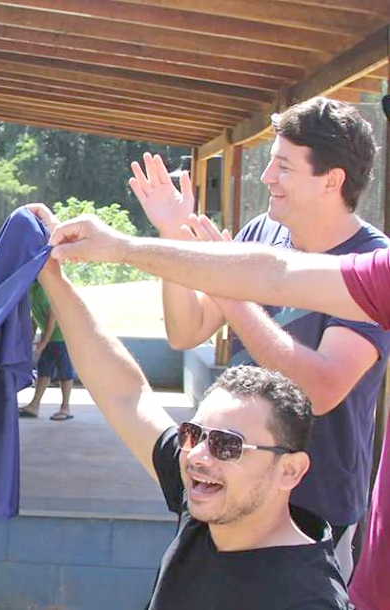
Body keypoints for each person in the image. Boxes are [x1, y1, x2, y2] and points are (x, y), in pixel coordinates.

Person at [34, 212, 390, 610]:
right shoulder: (210, 502)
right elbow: (124, 393)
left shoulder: (307, 597)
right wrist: (52, 277)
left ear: (289, 470)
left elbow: (278, 272)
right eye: (194, 434)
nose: (198, 455)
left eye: (227, 445)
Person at [126, 97, 390, 578]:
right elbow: (186, 331)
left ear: (331, 180)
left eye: (283, 166)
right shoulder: (261, 232)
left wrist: (230, 291)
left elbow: (323, 390)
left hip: (314, 509)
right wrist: (172, 235)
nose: (267, 178)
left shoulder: (373, 263)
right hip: (229, 489)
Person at [18, 282, 74, 421]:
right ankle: (34, 405)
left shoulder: (44, 290)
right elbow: (35, 316)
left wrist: (43, 343)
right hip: (49, 338)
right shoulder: (31, 291)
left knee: (64, 372)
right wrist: (29, 339)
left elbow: (52, 317)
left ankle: (65, 408)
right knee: (44, 371)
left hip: (62, 337)